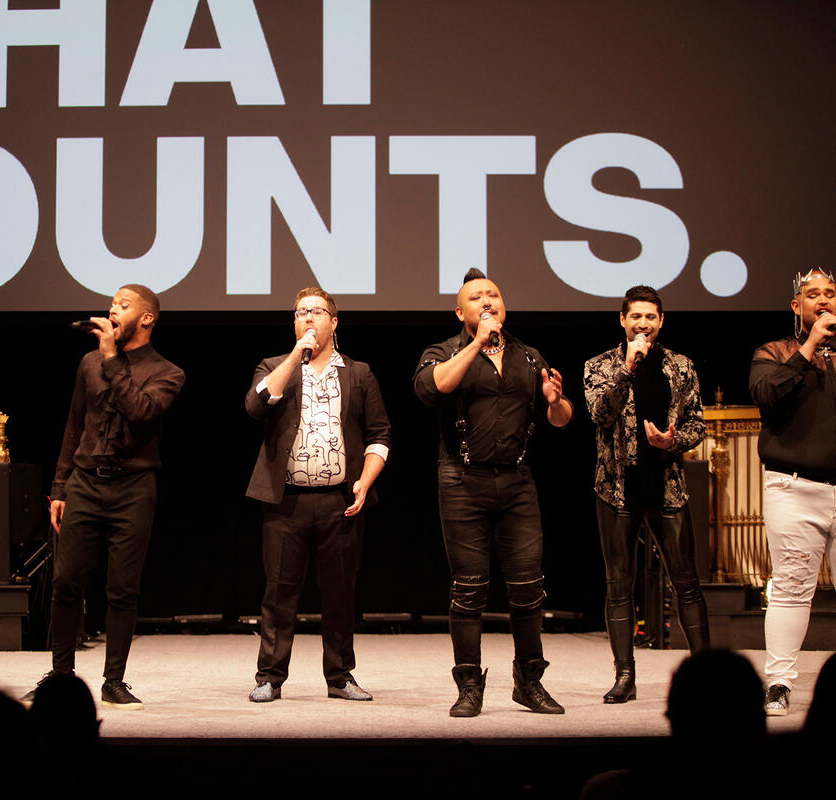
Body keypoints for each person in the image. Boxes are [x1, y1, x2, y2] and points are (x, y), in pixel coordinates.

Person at [413, 268, 573, 717]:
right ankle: (469, 685)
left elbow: (561, 419)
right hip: (463, 481)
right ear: (460, 311)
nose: (487, 301)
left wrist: (555, 400)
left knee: (528, 589)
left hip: (518, 483)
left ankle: (529, 681)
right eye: (477, 297)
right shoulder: (443, 352)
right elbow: (435, 387)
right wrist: (477, 344)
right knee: (469, 589)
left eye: (494, 295)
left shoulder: (528, 355)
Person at [24, 285, 184, 710]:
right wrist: (60, 487)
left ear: (146, 318)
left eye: (124, 305)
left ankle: (114, 680)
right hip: (85, 483)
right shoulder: (88, 363)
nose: (112, 309)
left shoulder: (168, 372)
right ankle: (60, 677)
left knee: (122, 590)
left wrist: (113, 357)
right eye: (112, 303)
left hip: (133, 489)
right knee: (65, 581)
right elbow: (74, 424)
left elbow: (141, 411)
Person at [245, 287, 391, 703]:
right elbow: (256, 406)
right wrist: (295, 357)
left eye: (316, 312)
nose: (307, 318)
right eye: (299, 313)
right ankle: (270, 677)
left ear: (334, 321)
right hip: (285, 500)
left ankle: (340, 676)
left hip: (339, 501)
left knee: (340, 592)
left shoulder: (359, 373)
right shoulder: (275, 365)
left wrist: (366, 479)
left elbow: (380, 434)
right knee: (278, 591)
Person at [583, 285, 709, 704]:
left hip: (667, 487)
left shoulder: (681, 366)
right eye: (635, 317)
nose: (643, 325)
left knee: (686, 583)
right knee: (619, 586)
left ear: (661, 321)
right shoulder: (599, 365)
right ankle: (624, 676)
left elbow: (697, 423)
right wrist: (628, 368)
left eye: (650, 318)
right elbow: (600, 415)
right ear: (623, 320)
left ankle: (704, 676)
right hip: (616, 489)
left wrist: (672, 442)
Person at [750, 267, 835, 716]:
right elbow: (767, 393)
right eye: (813, 294)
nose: (823, 300)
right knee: (791, 587)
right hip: (794, 488)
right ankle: (779, 683)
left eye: (830, 293)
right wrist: (810, 347)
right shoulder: (776, 351)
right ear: (796, 306)